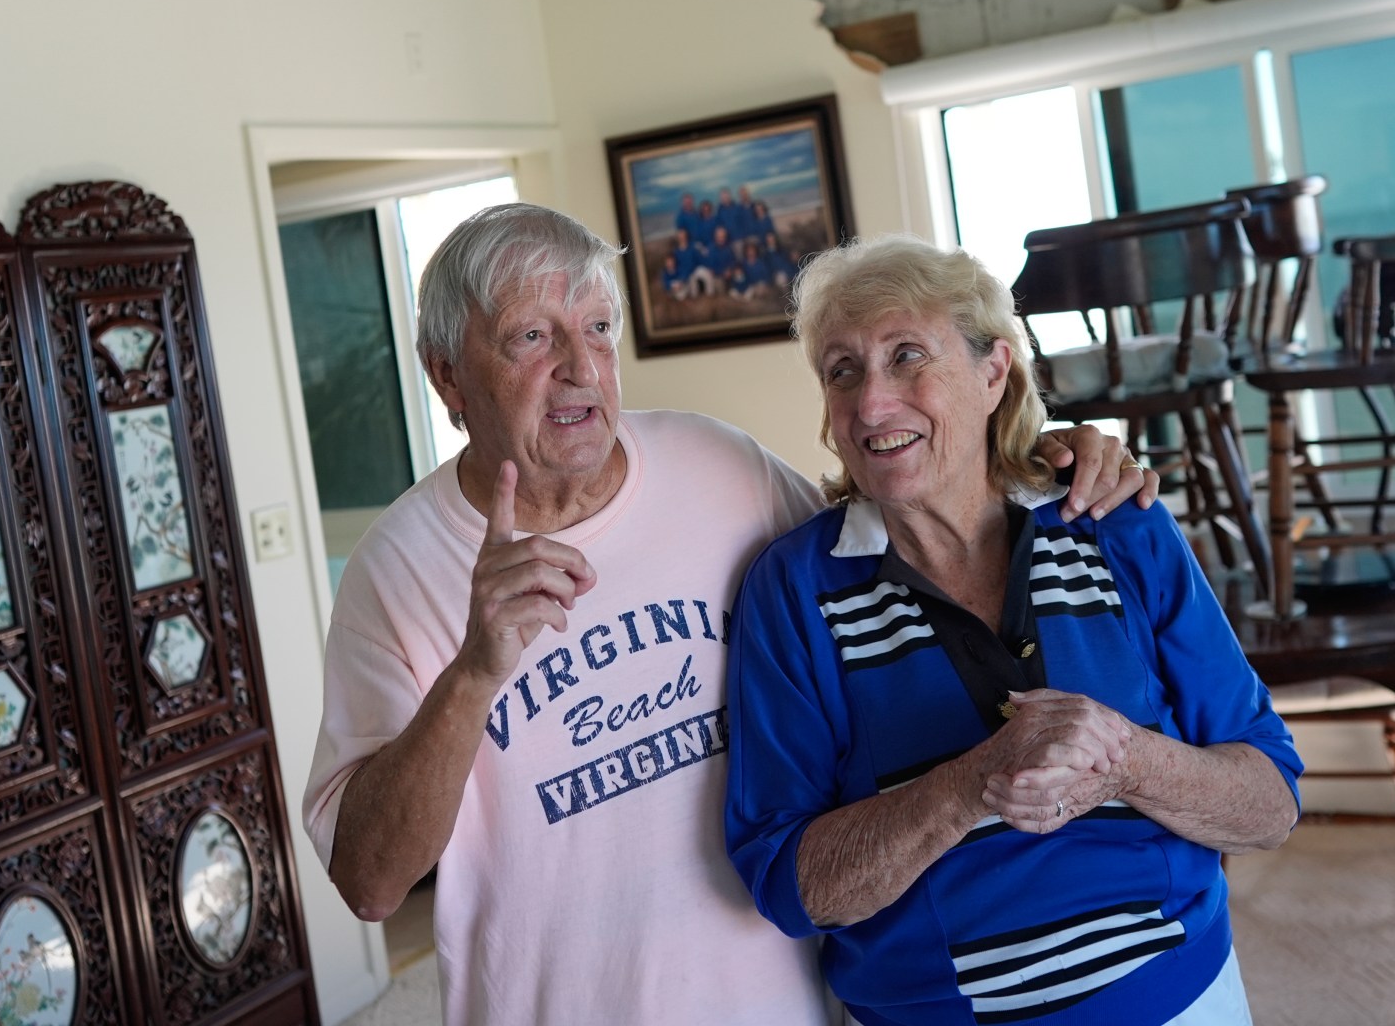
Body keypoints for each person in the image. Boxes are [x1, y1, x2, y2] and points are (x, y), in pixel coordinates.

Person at [304, 204, 1157, 1026]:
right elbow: (372, 884)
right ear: (445, 372)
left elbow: (890, 518)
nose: (579, 368)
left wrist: (1040, 455)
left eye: (598, 329)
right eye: (532, 337)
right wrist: (474, 675)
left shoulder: (715, 464)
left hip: (785, 1001)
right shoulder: (396, 568)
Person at [726, 236, 1302, 1026]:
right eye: (842, 371)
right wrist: (972, 783)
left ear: (993, 372)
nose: (871, 404)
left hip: (1174, 996)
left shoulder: (1110, 523)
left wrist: (1123, 759)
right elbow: (793, 886)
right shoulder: (794, 588)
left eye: (907, 357)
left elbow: (1269, 804)